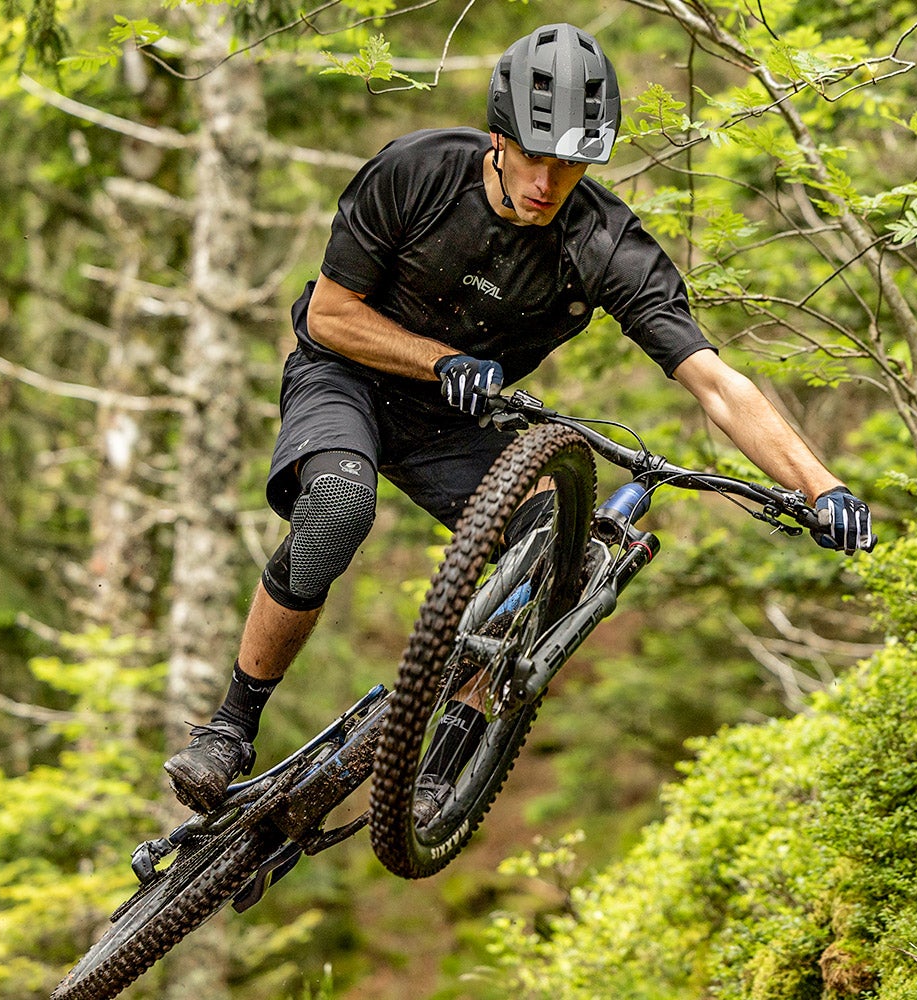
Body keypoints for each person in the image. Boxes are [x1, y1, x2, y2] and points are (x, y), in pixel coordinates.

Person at [163, 22, 871, 815]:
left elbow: (714, 383)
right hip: (348, 379)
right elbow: (329, 316)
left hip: (459, 426)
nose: (548, 179)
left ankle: (454, 748)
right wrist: (439, 360)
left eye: (571, 163)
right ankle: (229, 728)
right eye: (535, 154)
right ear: (498, 137)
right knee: (335, 509)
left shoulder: (604, 243)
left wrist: (821, 486)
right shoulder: (418, 172)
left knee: (558, 553)